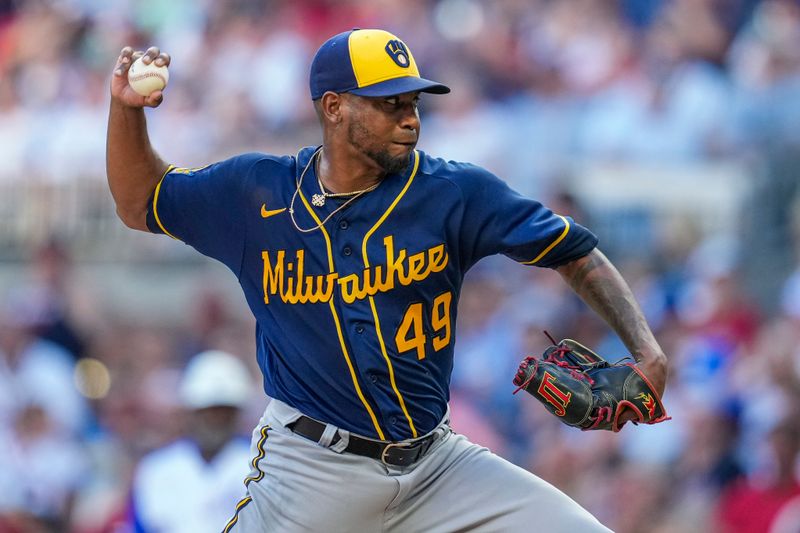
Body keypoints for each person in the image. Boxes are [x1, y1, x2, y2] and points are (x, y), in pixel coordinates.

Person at [106, 28, 667, 533]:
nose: (410, 118)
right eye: (389, 104)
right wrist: (126, 111)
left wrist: (646, 350)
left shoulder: (454, 192)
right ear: (333, 107)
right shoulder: (256, 194)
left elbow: (574, 251)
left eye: (413, 102)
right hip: (310, 473)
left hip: (438, 466)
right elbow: (140, 202)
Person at [130, 350, 254, 533]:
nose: (215, 421)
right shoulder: (157, 469)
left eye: (223, 413)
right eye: (208, 412)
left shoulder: (258, 466)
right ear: (191, 412)